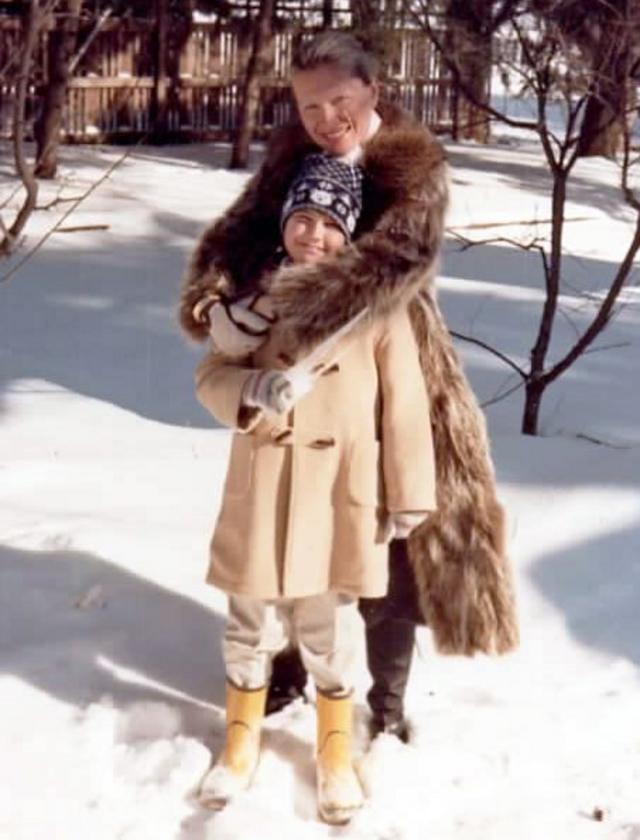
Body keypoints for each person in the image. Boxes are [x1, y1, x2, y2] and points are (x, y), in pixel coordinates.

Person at [180, 32, 518, 748]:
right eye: (309, 105)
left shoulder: (410, 162)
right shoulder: (293, 157)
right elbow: (241, 233)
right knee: (305, 516)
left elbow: (397, 260)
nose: (326, 117)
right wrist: (220, 300)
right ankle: (296, 666)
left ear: (371, 89)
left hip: (393, 349)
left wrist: (295, 298)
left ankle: (387, 701)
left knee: (394, 539)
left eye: (339, 99)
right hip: (293, 350)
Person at [193, 151, 436, 824]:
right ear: (285, 222)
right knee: (250, 619)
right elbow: (210, 376)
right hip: (264, 481)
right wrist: (251, 389)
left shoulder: (377, 309)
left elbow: (405, 403)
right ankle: (240, 737)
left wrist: (408, 491)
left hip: (338, 490)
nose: (313, 235)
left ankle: (333, 748)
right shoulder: (254, 298)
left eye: (329, 223)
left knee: (326, 625)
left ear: (348, 231)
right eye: (302, 218)